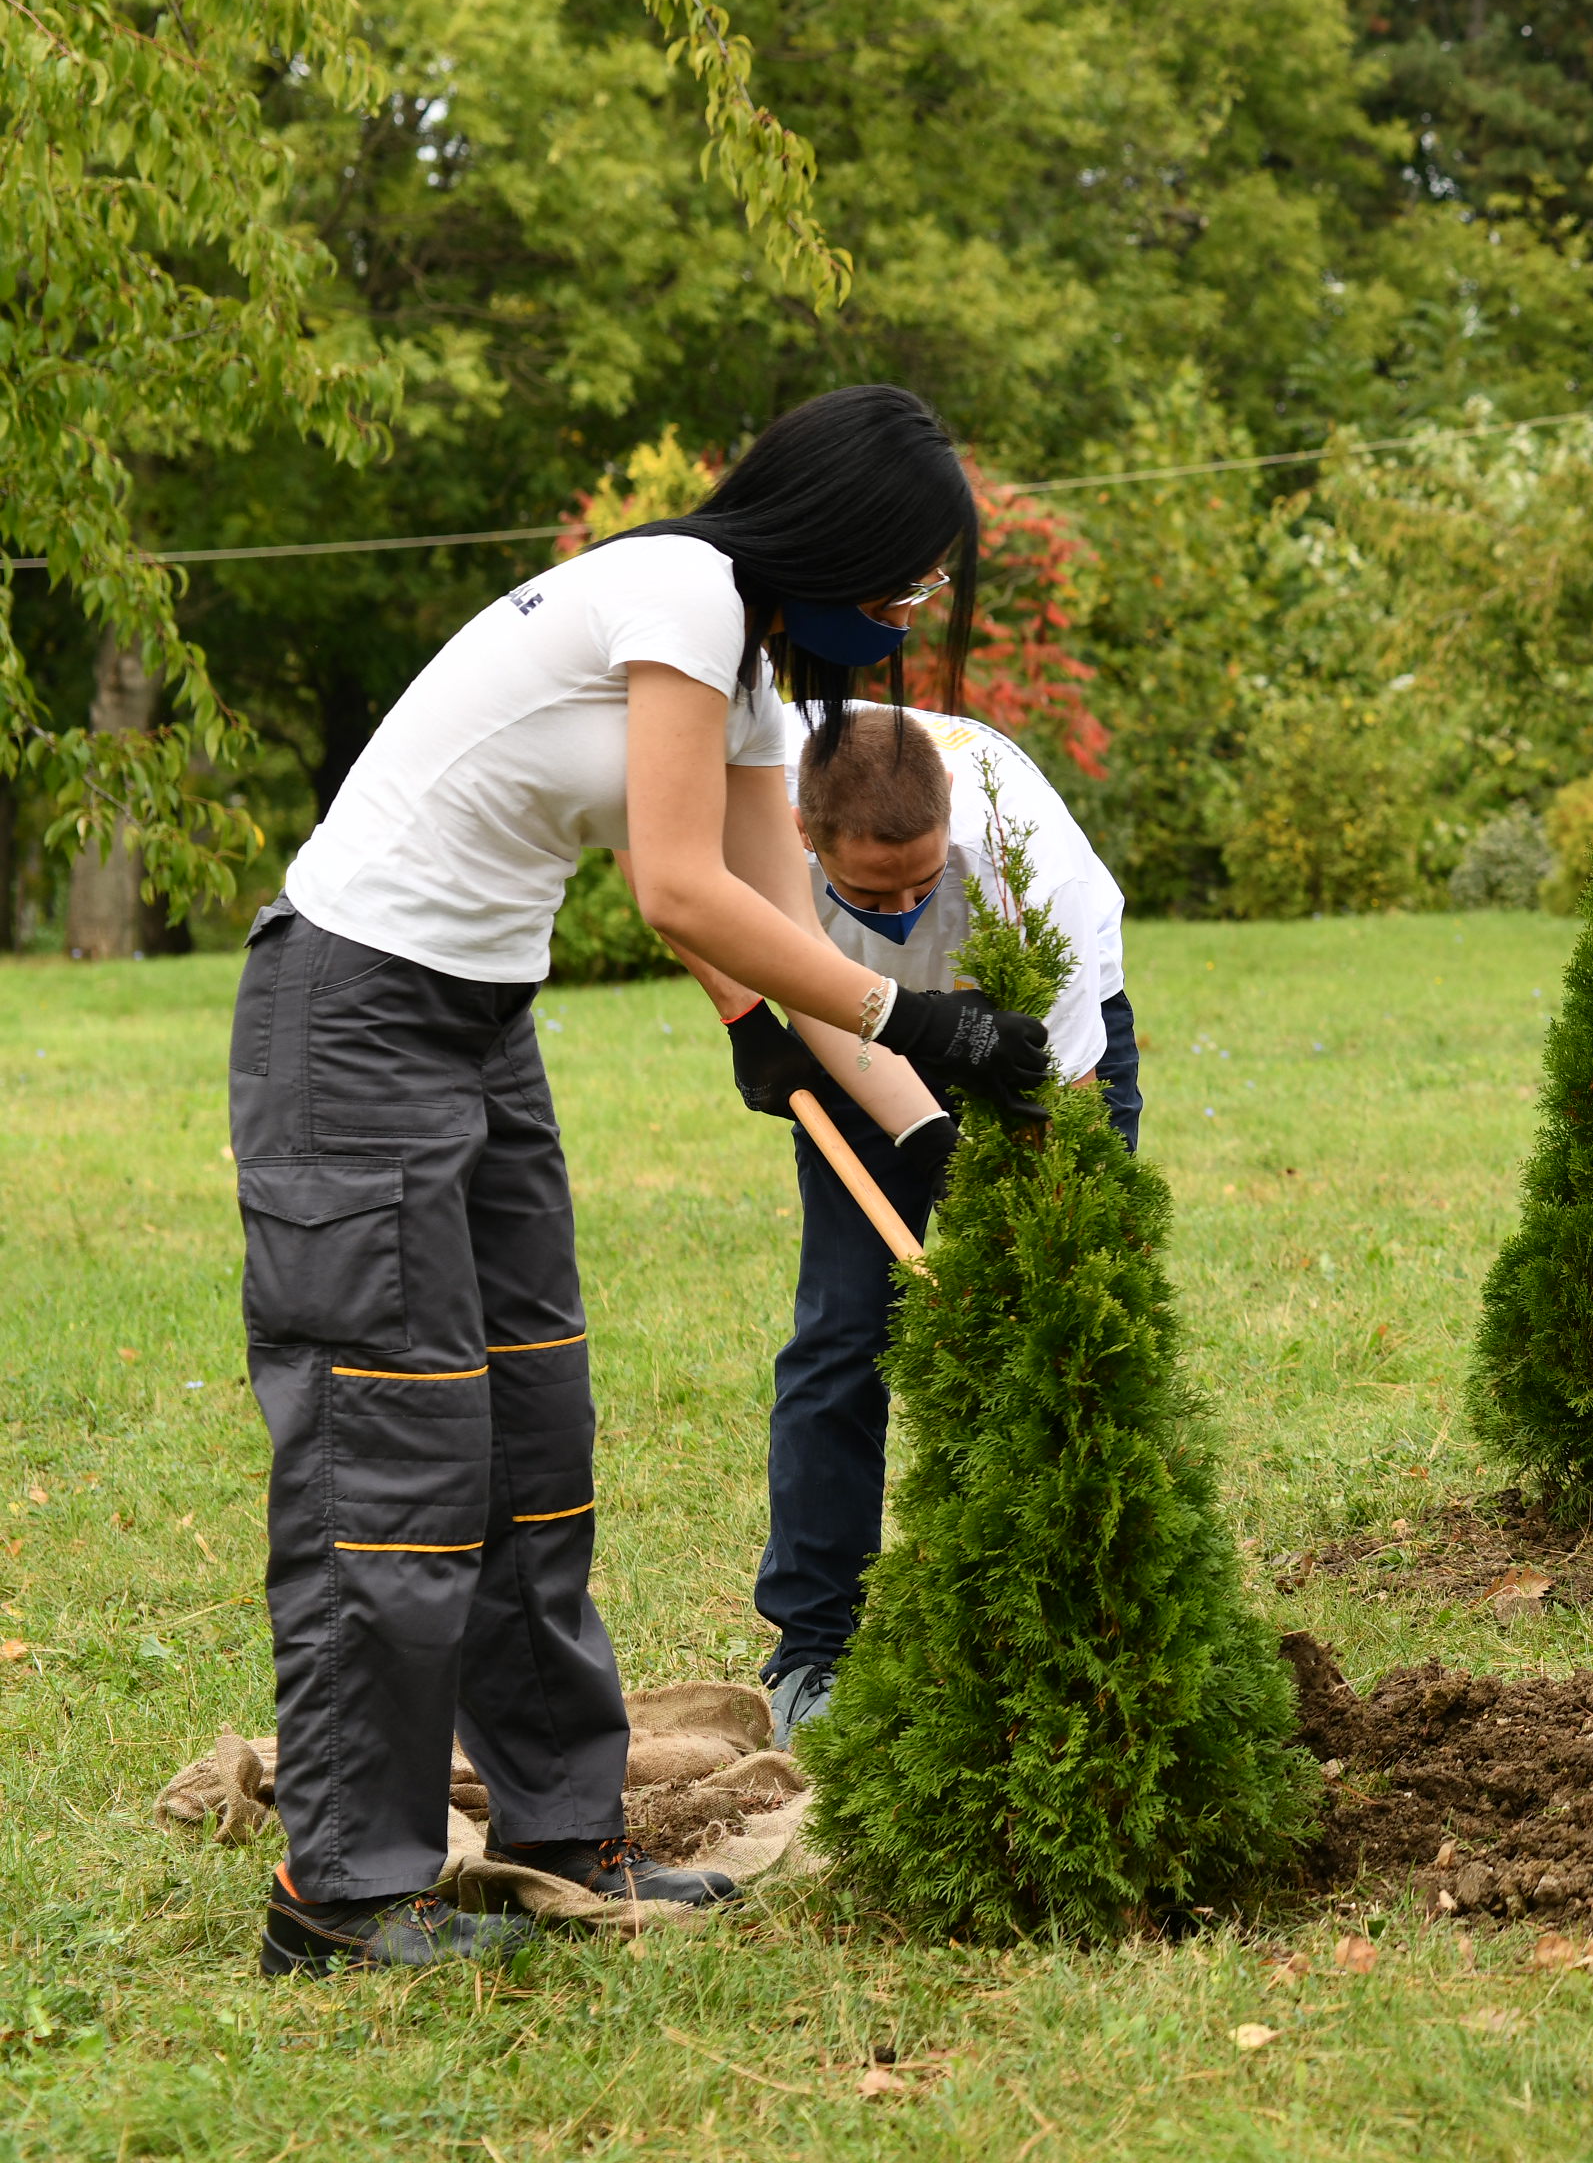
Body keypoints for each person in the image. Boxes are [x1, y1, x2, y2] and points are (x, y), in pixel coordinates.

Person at [231, 386, 1058, 1974]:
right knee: (397, 1456)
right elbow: (671, 880)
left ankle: (560, 1832)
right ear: (841, 541)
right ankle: (341, 1892)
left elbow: (767, 931)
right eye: (907, 584)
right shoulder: (678, 587)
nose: (905, 620)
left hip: (479, 1018)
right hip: (351, 1011)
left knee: (536, 1441)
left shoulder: (744, 671)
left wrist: (924, 1120)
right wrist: (929, 1014)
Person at [723, 702, 1141, 1753]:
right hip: (847, 1030)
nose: (903, 906)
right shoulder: (753, 787)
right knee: (844, 1332)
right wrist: (750, 1025)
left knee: (1065, 1322)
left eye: (923, 881)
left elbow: (1066, 1086)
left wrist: (1022, 1212)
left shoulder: (1019, 854)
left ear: (950, 820)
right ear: (808, 834)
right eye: (871, 892)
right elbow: (693, 898)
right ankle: (815, 1649)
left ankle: (1072, 1613)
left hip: (1026, 1025)